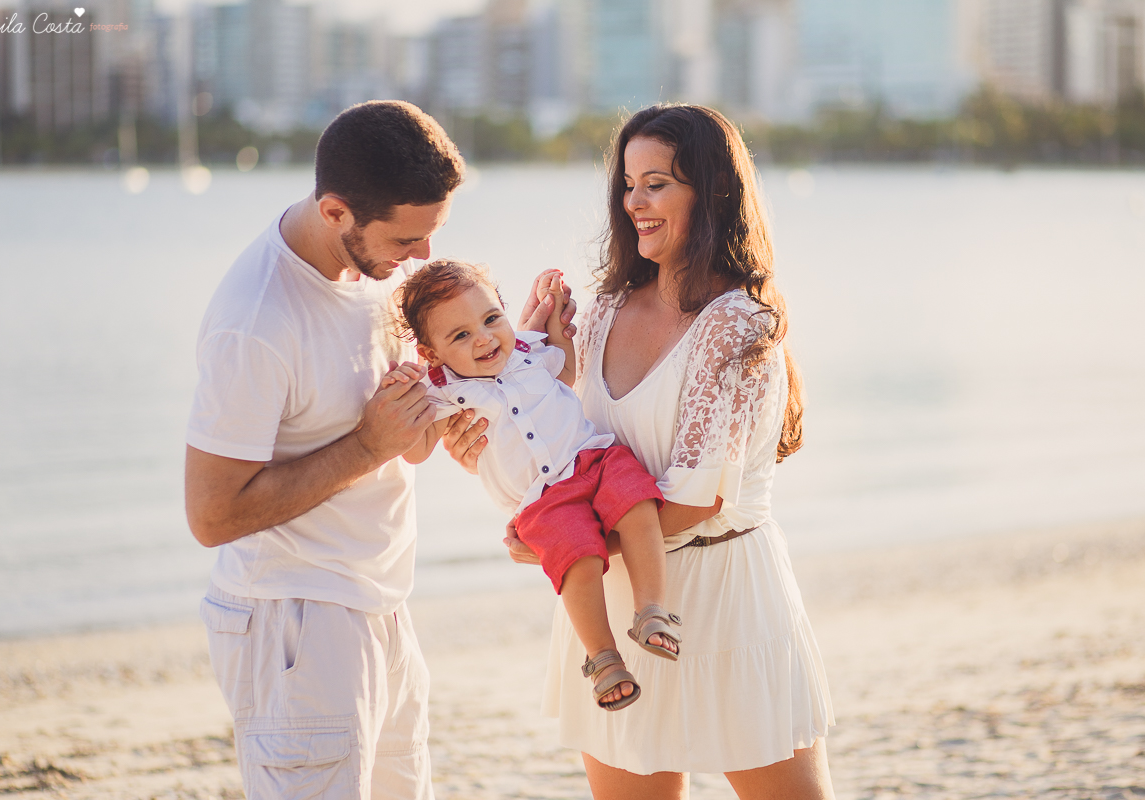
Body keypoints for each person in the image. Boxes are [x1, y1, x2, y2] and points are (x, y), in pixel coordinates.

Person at [497, 104, 837, 797]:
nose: (635, 203)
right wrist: (529, 369)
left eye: (657, 183)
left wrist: (572, 548)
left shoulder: (738, 325)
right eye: (628, 184)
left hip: (725, 597)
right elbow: (568, 446)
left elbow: (694, 499)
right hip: (614, 613)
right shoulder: (600, 313)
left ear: (711, 190)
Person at [183, 100, 477, 800]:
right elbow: (211, 517)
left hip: (384, 607)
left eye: (432, 234)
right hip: (296, 621)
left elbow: (409, 446)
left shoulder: (381, 272)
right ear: (338, 212)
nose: (422, 257)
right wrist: (367, 446)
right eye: (408, 240)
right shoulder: (256, 322)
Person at [388, 258, 682, 712]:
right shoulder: (440, 389)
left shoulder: (525, 348)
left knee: (639, 504)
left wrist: (555, 314)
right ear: (431, 353)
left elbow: (564, 372)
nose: (484, 338)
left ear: (505, 312)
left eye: (490, 319)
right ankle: (604, 660)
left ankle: (652, 612)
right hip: (541, 501)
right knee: (576, 561)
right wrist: (400, 396)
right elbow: (418, 450)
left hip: (594, 457)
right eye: (460, 336)